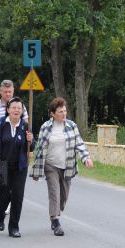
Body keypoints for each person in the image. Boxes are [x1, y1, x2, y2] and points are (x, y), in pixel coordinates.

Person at [31, 97, 94, 236]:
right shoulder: (45, 127)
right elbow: (40, 150)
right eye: (60, 111)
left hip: (67, 165)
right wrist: (36, 172)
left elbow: (79, 143)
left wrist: (86, 158)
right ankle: (55, 221)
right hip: (51, 165)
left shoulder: (71, 125)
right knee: (54, 192)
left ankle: (56, 212)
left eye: (65, 111)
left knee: (63, 196)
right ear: (52, 113)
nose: (63, 114)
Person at [0, 97, 35, 238]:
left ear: (22, 111)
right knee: (4, 195)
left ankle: (14, 227)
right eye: (13, 107)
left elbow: (32, 147)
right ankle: (0, 214)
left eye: (19, 108)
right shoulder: (1, 123)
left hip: (20, 167)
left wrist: (30, 140)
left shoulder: (25, 126)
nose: (16, 110)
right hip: (4, 166)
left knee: (17, 196)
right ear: (8, 109)